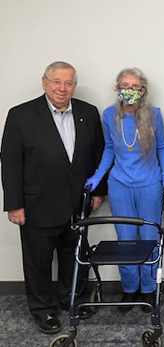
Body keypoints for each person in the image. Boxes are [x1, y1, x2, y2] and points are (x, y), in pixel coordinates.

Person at [1, 61, 106, 334]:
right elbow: (10, 163)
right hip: (37, 205)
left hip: (77, 203)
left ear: (74, 86)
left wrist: (98, 192)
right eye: (57, 82)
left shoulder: (88, 112)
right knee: (38, 261)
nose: (62, 88)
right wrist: (14, 205)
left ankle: (72, 299)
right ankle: (43, 310)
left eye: (68, 83)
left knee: (75, 255)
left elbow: (98, 154)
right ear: (44, 82)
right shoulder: (21, 115)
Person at [85, 67, 164, 313]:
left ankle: (148, 290)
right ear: (117, 89)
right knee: (125, 241)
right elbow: (108, 149)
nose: (129, 91)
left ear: (143, 90)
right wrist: (97, 176)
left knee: (148, 239)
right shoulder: (108, 115)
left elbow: (161, 147)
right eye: (125, 86)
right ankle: (130, 289)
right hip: (119, 186)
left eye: (135, 87)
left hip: (149, 185)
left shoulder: (154, 114)